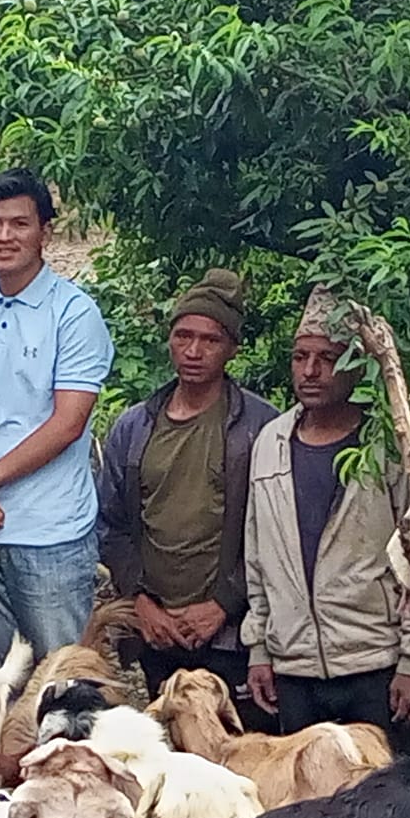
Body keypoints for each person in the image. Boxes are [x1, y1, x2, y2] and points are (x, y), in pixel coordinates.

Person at [242, 286, 410, 736]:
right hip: (294, 668)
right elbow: (257, 560)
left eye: (326, 358)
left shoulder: (386, 444)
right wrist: (260, 650)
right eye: (299, 357)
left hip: (375, 663)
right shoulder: (270, 442)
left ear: (355, 365)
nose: (310, 371)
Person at [97, 269, 281, 718]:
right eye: (183, 336)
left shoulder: (260, 428)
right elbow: (112, 525)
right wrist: (140, 602)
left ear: (232, 348)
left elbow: (274, 536)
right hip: (157, 627)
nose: (194, 351)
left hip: (231, 634)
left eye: (210, 340)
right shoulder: (135, 427)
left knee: (239, 749)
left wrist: (223, 604)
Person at [0, 169, 115, 658]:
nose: (4, 236)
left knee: (65, 678)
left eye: (19, 224)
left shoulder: (74, 314)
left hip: (51, 535)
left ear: (45, 231)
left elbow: (68, 424)